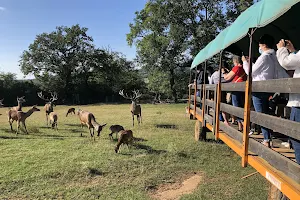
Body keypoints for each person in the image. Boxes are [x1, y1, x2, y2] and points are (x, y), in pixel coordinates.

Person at [242, 34, 280, 147]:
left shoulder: (264, 57)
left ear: (263, 45)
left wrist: (245, 62)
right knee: (265, 113)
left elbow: (250, 72)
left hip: (259, 89)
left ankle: (267, 139)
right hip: (269, 88)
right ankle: (267, 137)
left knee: (260, 114)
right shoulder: (273, 56)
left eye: (259, 44)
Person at [276, 39, 300, 164]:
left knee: (296, 135)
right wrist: (293, 51)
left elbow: (286, 63)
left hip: (299, 103)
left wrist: (281, 49)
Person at [224, 55, 247, 131]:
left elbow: (227, 77)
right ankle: (241, 127)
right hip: (243, 89)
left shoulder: (237, 68)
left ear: (235, 61)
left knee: (237, 108)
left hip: (237, 90)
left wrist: (224, 73)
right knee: (242, 107)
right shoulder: (245, 67)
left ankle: (245, 127)